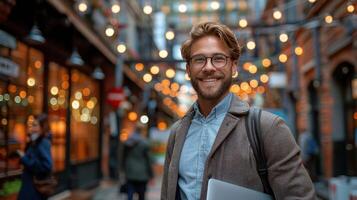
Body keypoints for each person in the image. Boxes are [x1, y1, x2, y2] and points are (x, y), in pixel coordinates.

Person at [161, 21, 316, 200]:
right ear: (188, 69)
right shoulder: (177, 133)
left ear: (233, 66)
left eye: (218, 58)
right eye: (199, 59)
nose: (209, 67)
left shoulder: (269, 128)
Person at [17, 114, 53, 200]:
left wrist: (24, 158)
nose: (32, 128)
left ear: (42, 127)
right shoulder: (35, 141)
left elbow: (47, 166)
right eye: (32, 125)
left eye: (35, 125)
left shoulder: (43, 143)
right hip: (30, 185)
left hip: (34, 188)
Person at [122, 123, 153, 200]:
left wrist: (123, 169)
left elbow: (123, 157)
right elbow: (148, 160)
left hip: (130, 171)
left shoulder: (128, 141)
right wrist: (151, 175)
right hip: (142, 172)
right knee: (141, 195)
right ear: (142, 131)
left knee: (129, 193)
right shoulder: (144, 143)